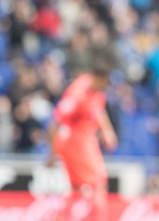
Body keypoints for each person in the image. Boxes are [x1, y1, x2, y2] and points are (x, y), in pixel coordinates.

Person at [47, 65, 118, 221]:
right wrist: (52, 153)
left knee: (77, 189)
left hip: (87, 142)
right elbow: (55, 123)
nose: (104, 88)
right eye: (103, 83)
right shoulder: (76, 94)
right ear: (97, 78)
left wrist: (107, 130)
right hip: (77, 145)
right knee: (98, 184)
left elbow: (98, 108)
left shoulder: (97, 90)